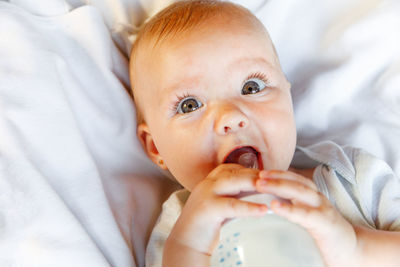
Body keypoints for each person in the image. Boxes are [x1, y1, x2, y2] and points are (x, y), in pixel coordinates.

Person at [129, 1, 400, 266]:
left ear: (288, 96)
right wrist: (187, 252)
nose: (231, 117)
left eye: (251, 87)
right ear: (156, 149)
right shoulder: (183, 230)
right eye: (190, 105)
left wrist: (357, 248)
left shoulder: (349, 179)